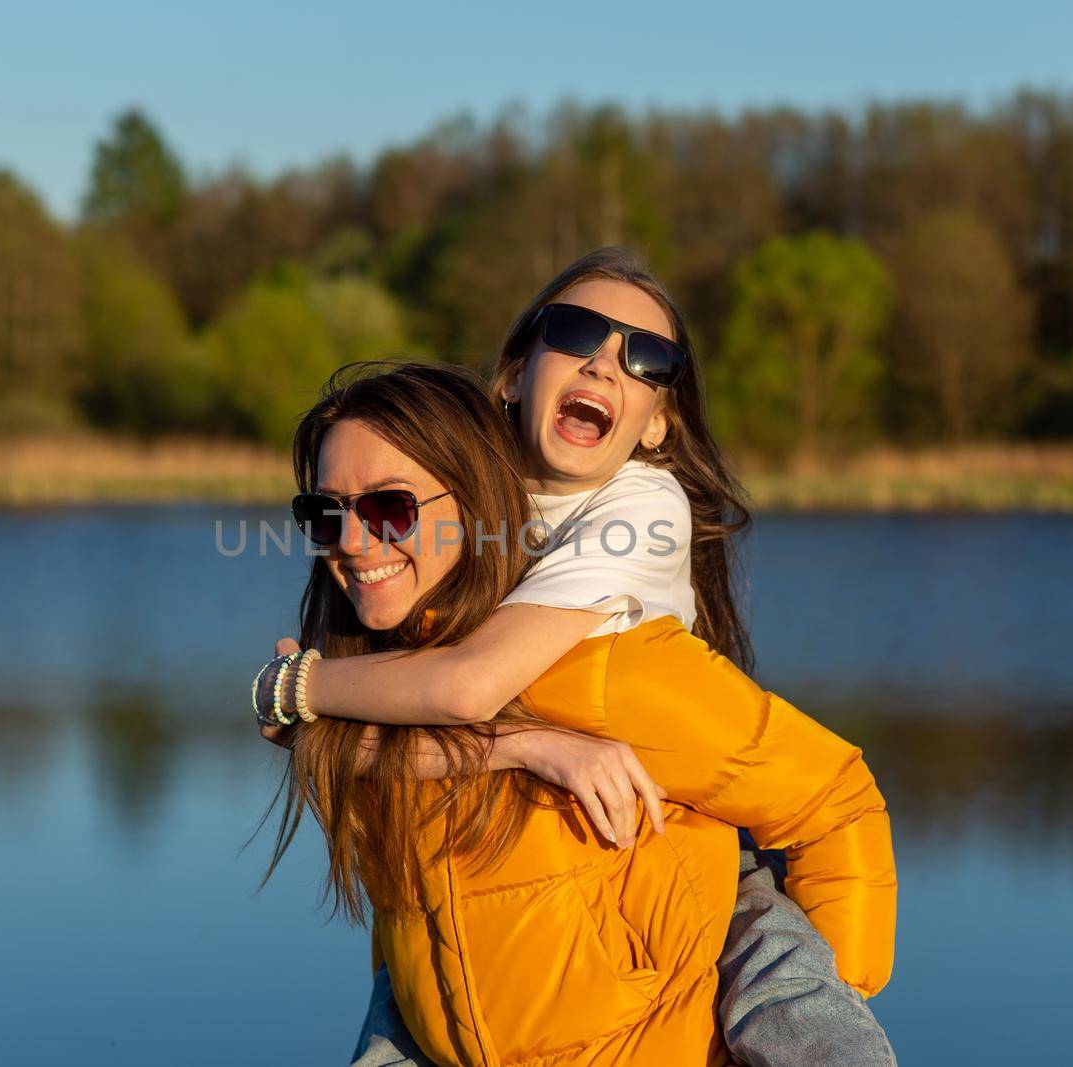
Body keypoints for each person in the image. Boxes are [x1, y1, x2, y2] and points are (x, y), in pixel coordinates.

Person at [254, 316, 893, 1062]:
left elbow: (833, 799)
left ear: (475, 503)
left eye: (390, 509)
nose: (355, 542)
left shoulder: (604, 663)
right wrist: (524, 746)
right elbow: (409, 927)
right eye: (325, 514)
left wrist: (827, 1004)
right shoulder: (372, 679)